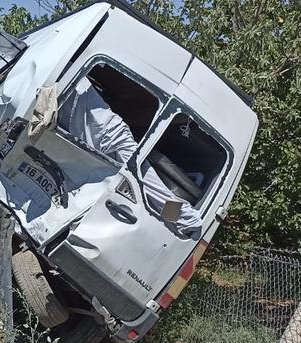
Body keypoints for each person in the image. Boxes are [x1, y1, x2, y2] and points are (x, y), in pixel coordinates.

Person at [59, 77, 203, 237]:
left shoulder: (73, 81)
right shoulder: (73, 82)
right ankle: (186, 221)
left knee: (151, 188)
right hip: (105, 137)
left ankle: (189, 221)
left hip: (113, 138)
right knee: (150, 190)